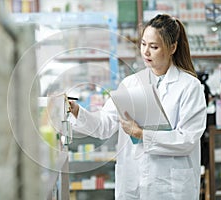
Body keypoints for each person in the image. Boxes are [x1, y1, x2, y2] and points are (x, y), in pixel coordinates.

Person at [69, 14, 207, 200]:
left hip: (170, 188)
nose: (146, 52)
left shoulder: (189, 86)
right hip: (133, 183)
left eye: (154, 47)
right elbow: (104, 125)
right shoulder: (131, 84)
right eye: (143, 44)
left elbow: (187, 140)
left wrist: (141, 134)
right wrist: (76, 111)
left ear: (172, 47)